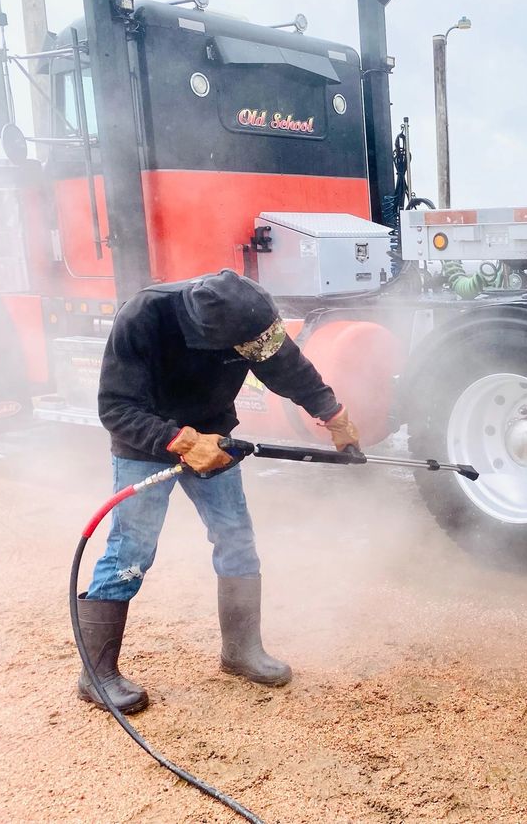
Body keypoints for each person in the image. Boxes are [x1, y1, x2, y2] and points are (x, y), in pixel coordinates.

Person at [75, 269, 359, 714]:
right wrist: (184, 442)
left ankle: (241, 653)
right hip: (145, 445)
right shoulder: (144, 317)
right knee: (131, 552)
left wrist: (333, 414)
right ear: (212, 338)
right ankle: (96, 674)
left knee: (237, 541)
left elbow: (286, 367)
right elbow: (114, 408)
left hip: (216, 441)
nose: (258, 350)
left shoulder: (247, 319)